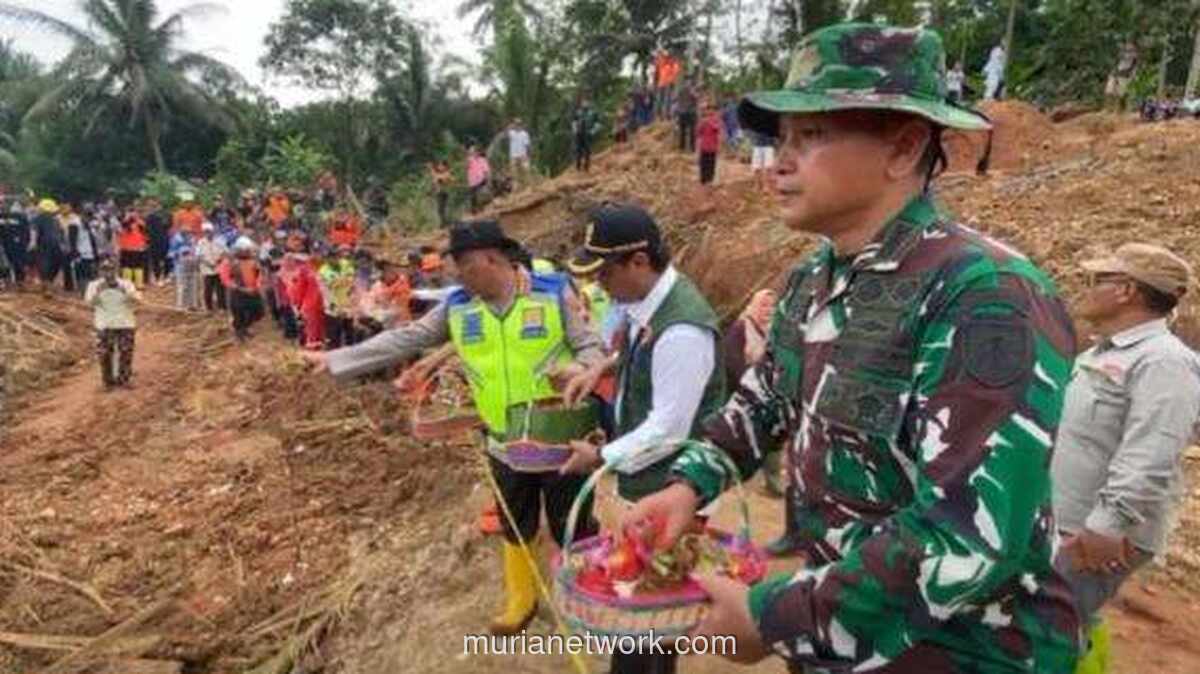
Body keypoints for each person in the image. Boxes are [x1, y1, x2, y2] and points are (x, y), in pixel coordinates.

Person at [621, 23, 1080, 673]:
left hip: (964, 652)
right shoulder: (814, 279)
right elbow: (765, 400)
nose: (779, 160)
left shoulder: (985, 295)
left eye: (810, 136)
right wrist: (688, 485)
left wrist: (772, 616)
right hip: (842, 639)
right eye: (780, 138)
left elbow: (966, 535)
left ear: (903, 147)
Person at [300, 220, 605, 636]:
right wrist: (338, 359)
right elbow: (404, 340)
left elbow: (591, 345)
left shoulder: (553, 292)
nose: (455, 275)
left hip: (560, 435)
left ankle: (586, 597)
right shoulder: (459, 306)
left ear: (492, 258)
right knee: (515, 518)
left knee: (572, 520)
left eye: (462, 265)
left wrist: (582, 370)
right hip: (503, 438)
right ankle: (523, 598)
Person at [1051, 244, 1200, 669]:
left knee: (1042, 634)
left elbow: (1152, 451)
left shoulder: (1165, 362)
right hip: (1067, 523)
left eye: (1098, 279)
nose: (1085, 287)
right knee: (1056, 630)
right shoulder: (1102, 355)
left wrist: (1106, 525)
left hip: (1097, 535)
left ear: (1127, 291)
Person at [85, 258, 141, 390]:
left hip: (125, 322)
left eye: (110, 269)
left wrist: (125, 292)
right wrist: (98, 292)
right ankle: (107, 381)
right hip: (104, 323)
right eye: (105, 269)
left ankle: (124, 379)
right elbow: (89, 303)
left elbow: (138, 300)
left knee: (125, 352)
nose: (108, 273)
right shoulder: (94, 285)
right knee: (104, 354)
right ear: (100, 271)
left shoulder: (126, 284)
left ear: (116, 270)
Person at [220, 237, 265, 342]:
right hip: (238, 292)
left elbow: (259, 274)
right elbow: (225, 278)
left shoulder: (253, 260)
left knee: (258, 312)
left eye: (248, 250)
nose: (246, 252)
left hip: (253, 291)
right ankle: (239, 333)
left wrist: (257, 285)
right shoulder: (229, 262)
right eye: (244, 250)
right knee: (238, 314)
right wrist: (239, 288)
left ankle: (245, 327)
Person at [319, 244, 358, 349]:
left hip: (348, 306)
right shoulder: (323, 271)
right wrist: (335, 307)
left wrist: (354, 300)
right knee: (334, 337)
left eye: (335, 256)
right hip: (333, 309)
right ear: (326, 259)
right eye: (330, 257)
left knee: (350, 334)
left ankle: (351, 355)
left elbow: (352, 281)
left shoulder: (346, 264)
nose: (333, 259)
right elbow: (326, 293)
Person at [30, 198, 64, 291]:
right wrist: (62, 244)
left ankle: (46, 283)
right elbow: (61, 232)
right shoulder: (56, 219)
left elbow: (34, 231)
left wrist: (33, 243)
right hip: (56, 243)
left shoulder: (37, 218)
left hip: (43, 243)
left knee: (44, 263)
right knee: (55, 263)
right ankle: (49, 282)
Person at [68, 206, 102, 295]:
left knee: (90, 274)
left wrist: (96, 254)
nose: (89, 219)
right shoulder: (74, 224)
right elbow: (72, 240)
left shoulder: (90, 225)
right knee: (81, 275)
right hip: (80, 254)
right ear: (82, 215)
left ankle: (88, 292)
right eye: (87, 216)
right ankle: (83, 292)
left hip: (89, 254)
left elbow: (92, 241)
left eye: (90, 217)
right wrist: (75, 253)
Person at [0, 195, 31, 288]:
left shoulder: (19, 216)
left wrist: (25, 242)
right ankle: (5, 281)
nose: (4, 206)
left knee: (18, 263)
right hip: (3, 244)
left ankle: (20, 282)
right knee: (3, 263)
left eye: (6, 204)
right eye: (2, 204)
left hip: (17, 244)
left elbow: (26, 231)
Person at [196, 223, 227, 312]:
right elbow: (199, 256)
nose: (208, 234)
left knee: (220, 289)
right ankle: (209, 307)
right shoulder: (201, 242)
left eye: (209, 232)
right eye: (206, 232)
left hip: (218, 268)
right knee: (208, 289)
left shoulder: (219, 241)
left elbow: (225, 252)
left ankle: (222, 306)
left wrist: (219, 261)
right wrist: (208, 263)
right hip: (207, 269)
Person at [168, 225, 201, 311]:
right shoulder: (175, 239)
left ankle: (192, 304)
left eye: (189, 232)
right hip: (180, 264)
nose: (188, 234)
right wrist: (181, 253)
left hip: (191, 264)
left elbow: (196, 250)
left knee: (193, 284)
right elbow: (171, 253)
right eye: (186, 232)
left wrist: (194, 255)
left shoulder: (192, 239)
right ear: (181, 232)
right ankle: (181, 305)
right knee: (182, 285)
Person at [116, 205, 148, 288]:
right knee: (137, 266)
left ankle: (129, 284)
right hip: (137, 248)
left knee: (128, 266)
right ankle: (137, 284)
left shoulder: (126, 222)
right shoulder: (139, 222)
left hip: (128, 248)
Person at [696, 99, 724, 188]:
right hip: (704, 146)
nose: (710, 111)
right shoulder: (703, 120)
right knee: (703, 163)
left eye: (712, 109)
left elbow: (719, 130)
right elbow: (698, 132)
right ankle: (703, 180)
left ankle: (709, 180)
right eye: (709, 109)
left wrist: (720, 145)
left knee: (711, 164)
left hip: (713, 146)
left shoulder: (717, 120)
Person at [145, 198, 171, 287]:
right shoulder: (150, 216)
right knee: (155, 259)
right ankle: (157, 277)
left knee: (166, 258)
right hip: (154, 240)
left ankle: (166, 276)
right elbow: (147, 229)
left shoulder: (167, 214)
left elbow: (168, 225)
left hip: (164, 239)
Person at [571, 97, 601, 172]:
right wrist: (575, 129)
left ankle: (586, 167)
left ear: (589, 103)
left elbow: (598, 123)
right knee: (578, 150)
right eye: (583, 102)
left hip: (588, 134)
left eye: (586, 102)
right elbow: (574, 121)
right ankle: (578, 167)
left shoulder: (593, 113)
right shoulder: (578, 112)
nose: (585, 104)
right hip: (579, 134)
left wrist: (593, 131)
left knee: (587, 151)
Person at [507, 119, 532, 188]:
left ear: (521, 125)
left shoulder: (524, 134)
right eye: (515, 124)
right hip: (513, 156)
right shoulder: (511, 133)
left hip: (523, 155)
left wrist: (528, 155)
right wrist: (510, 125)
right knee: (514, 172)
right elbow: (506, 130)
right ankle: (516, 186)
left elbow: (527, 145)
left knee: (526, 170)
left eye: (518, 124)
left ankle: (528, 185)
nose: (517, 125)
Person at [428, 161, 454, 227]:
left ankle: (443, 223)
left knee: (441, 209)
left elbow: (440, 179)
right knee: (440, 209)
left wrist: (432, 169)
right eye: (439, 166)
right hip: (439, 193)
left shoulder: (446, 173)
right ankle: (444, 222)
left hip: (443, 193)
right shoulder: (441, 174)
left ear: (445, 167)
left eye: (441, 166)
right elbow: (435, 180)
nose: (440, 167)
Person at [466, 146, 490, 214]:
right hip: (472, 181)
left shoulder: (482, 160)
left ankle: (481, 207)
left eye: (475, 152)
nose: (474, 153)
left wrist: (486, 178)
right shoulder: (469, 160)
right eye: (472, 152)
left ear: (478, 152)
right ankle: (474, 209)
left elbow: (486, 170)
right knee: (473, 196)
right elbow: (467, 166)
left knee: (480, 194)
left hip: (481, 179)